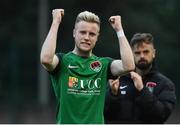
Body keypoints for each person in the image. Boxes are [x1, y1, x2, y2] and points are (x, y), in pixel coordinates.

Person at [40, 8, 135, 124]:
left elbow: (129, 65)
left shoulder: (104, 64)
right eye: (82, 32)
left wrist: (119, 30)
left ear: (97, 37)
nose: (87, 37)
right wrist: (56, 22)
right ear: (74, 33)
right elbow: (45, 59)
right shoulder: (62, 61)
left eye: (92, 34)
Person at [104, 33, 176, 124]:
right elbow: (105, 114)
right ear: (131, 55)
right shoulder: (117, 80)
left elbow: (162, 115)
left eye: (146, 52)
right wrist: (113, 95)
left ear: (153, 53)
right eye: (137, 53)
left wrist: (142, 90)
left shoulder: (164, 84)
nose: (142, 56)